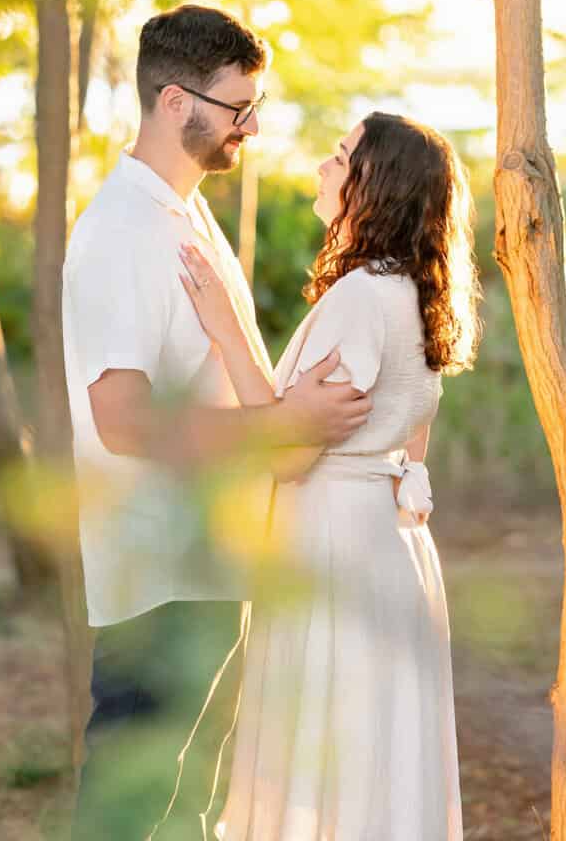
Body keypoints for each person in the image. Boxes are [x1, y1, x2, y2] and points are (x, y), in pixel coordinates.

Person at [63, 4, 372, 840]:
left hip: (211, 562)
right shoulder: (121, 233)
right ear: (174, 102)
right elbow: (124, 421)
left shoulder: (185, 215)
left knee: (190, 815)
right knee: (130, 818)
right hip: (158, 573)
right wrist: (284, 424)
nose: (255, 126)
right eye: (239, 108)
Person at [178, 111, 480, 841]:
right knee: (376, 749)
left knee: (327, 744)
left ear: (375, 184)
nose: (322, 166)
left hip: (335, 545)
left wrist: (224, 326)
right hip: (391, 545)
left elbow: (286, 449)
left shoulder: (360, 297)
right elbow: (414, 441)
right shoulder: (416, 296)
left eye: (339, 156)